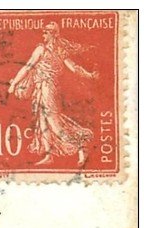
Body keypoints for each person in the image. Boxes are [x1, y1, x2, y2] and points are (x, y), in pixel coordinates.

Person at [8, 21, 99, 166]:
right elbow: (28, 67)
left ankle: (81, 147)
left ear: (54, 34)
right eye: (43, 31)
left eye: (46, 31)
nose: (43, 34)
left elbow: (74, 68)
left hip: (49, 89)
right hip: (41, 88)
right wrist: (15, 83)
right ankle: (49, 155)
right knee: (42, 121)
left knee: (54, 123)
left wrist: (89, 75)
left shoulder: (57, 50)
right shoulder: (42, 49)